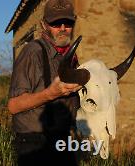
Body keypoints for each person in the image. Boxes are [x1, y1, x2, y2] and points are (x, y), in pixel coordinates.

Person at [7, 0, 82, 165]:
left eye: (67, 22)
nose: (63, 28)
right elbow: (13, 106)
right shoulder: (33, 52)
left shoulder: (70, 56)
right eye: (55, 23)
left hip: (63, 140)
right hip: (35, 144)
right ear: (44, 24)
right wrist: (50, 94)